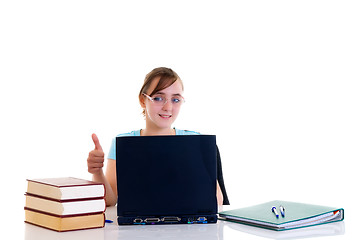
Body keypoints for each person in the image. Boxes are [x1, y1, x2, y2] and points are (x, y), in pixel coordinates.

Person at [87, 67, 229, 206]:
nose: (168, 107)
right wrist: (97, 172)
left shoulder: (195, 141)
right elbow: (110, 201)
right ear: (143, 100)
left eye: (175, 100)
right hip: (139, 227)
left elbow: (217, 201)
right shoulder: (123, 143)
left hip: (187, 226)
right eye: (158, 98)